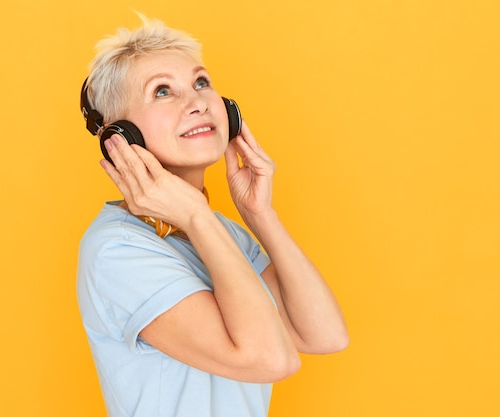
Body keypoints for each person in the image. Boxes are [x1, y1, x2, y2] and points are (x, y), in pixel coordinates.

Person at [76, 15, 349, 417]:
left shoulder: (222, 233)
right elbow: (273, 360)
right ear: (121, 140)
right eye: (163, 91)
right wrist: (198, 215)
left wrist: (261, 216)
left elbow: (324, 334)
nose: (198, 102)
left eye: (201, 83)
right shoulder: (117, 250)